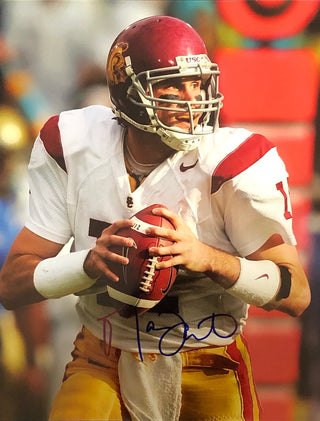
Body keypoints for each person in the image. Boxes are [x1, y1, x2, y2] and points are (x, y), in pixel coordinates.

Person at [0, 15, 311, 421]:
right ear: (129, 92)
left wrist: (208, 258)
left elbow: (297, 293)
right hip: (104, 354)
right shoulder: (75, 145)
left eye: (197, 82)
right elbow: (12, 285)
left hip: (208, 359)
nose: (191, 98)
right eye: (172, 84)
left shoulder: (231, 165)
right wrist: (88, 264)